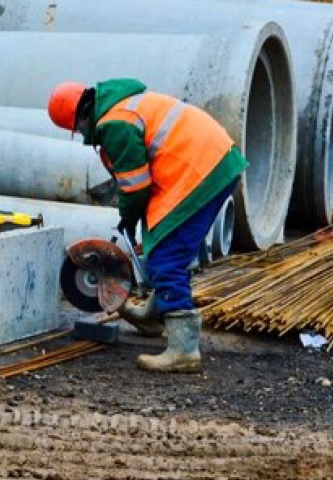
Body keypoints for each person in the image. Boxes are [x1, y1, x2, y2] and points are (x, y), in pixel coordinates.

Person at [47, 78, 247, 372]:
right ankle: (154, 316)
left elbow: (135, 186)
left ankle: (184, 350)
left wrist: (127, 219)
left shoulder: (115, 125)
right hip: (214, 162)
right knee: (164, 245)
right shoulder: (121, 105)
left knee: (168, 258)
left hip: (197, 170)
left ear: (76, 125)